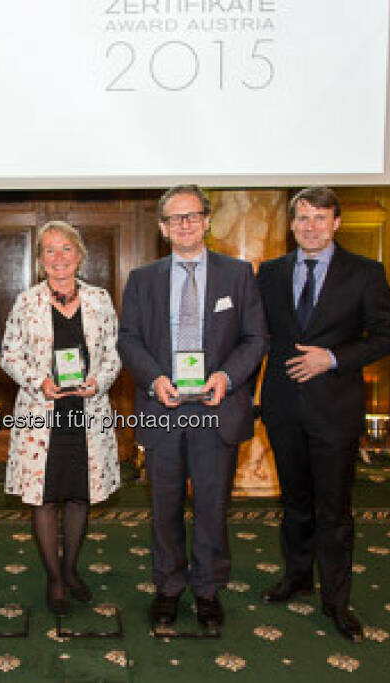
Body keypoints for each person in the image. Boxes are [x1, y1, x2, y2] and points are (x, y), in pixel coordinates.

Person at [118, 185, 267, 635]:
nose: (184, 224)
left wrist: (227, 377)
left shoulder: (238, 275)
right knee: (164, 507)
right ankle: (168, 586)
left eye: (192, 215)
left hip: (215, 409)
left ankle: (206, 590)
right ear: (163, 228)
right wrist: (154, 378)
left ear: (207, 221)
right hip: (163, 406)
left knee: (211, 506)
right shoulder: (142, 278)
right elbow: (129, 339)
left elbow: (256, 338)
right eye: (174, 218)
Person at [257, 186, 390, 642]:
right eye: (302, 218)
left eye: (320, 218)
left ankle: (337, 601)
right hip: (283, 407)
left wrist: (333, 358)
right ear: (292, 224)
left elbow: (386, 335)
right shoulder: (271, 273)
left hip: (334, 410)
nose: (311, 226)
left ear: (336, 223)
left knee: (334, 509)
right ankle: (297, 576)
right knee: (294, 501)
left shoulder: (365, 273)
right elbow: (258, 333)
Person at [1, 221, 122, 615]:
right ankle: (54, 578)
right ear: (39, 260)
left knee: (79, 494)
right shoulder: (26, 302)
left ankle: (71, 569)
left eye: (66, 249)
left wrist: (98, 381)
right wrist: (39, 381)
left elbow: (114, 356)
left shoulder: (100, 300)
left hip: (87, 412)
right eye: (49, 251)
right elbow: (9, 354)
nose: (58, 258)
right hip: (42, 414)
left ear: (80, 254)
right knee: (45, 496)